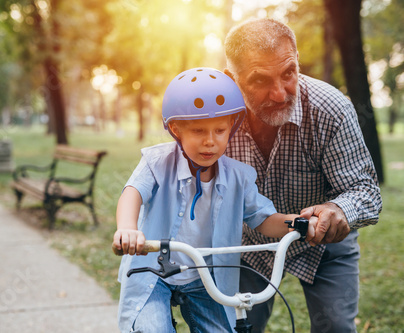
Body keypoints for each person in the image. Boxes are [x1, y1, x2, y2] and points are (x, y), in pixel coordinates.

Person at [112, 67, 316, 332]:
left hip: (205, 275)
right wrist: (128, 229)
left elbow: (264, 220)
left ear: (231, 126)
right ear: (176, 129)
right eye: (198, 131)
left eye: (219, 130)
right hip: (152, 269)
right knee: (152, 328)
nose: (210, 142)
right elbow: (132, 193)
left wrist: (297, 223)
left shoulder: (238, 177)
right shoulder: (157, 162)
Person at [223, 18, 382, 333]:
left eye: (288, 73)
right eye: (260, 80)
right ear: (233, 79)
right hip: (247, 244)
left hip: (324, 243)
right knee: (235, 327)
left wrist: (339, 210)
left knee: (335, 327)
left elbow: (366, 191)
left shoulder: (331, 109)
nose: (280, 94)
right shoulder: (216, 113)